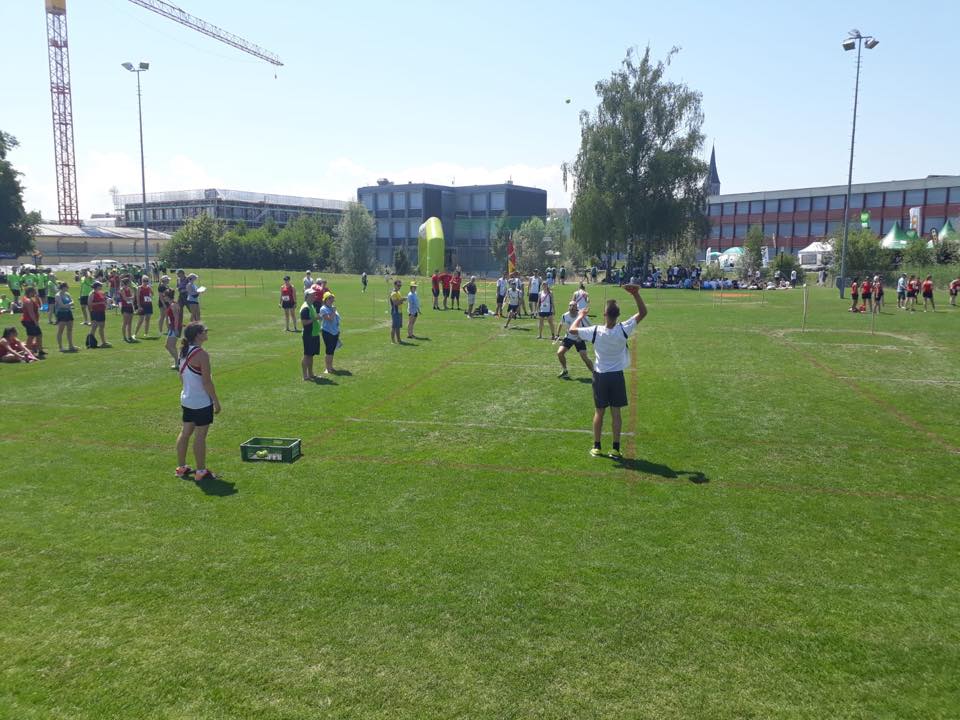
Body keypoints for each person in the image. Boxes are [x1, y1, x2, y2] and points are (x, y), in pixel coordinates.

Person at [569, 286, 647, 458]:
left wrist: (580, 316)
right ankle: (615, 448)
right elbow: (643, 312)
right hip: (617, 376)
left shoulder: (595, 331)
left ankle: (597, 446)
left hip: (600, 376)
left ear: (604, 314)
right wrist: (635, 294)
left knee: (599, 412)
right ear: (618, 315)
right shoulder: (623, 329)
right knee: (616, 413)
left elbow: (572, 330)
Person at [175, 322, 221, 482]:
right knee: (200, 436)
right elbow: (207, 382)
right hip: (200, 401)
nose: (207, 332)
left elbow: (181, 376)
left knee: (185, 433)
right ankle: (201, 471)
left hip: (187, 399)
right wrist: (216, 401)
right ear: (198, 335)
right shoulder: (202, 354)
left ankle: (181, 467)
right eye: (204, 331)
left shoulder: (183, 351)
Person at [556, 301, 594, 378]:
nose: (572, 307)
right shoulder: (565, 316)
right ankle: (565, 371)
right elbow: (561, 323)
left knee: (584, 357)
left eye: (574, 306)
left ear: (577, 307)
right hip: (569, 337)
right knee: (560, 353)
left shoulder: (582, 316)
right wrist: (557, 335)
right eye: (570, 306)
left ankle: (595, 374)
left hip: (579, 338)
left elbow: (590, 327)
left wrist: (583, 336)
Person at [299, 288, 321, 380]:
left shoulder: (311, 305)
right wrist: (316, 318)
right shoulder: (305, 308)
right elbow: (304, 322)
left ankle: (311, 374)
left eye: (314, 295)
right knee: (307, 355)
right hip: (309, 334)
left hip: (314, 334)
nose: (314, 297)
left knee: (311, 355)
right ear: (307, 296)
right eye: (312, 295)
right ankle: (305, 376)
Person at [318, 291, 341, 374]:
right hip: (327, 332)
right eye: (329, 298)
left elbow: (336, 320)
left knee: (332, 351)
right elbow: (330, 319)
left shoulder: (332, 307)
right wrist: (333, 311)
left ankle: (331, 367)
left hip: (335, 332)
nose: (332, 300)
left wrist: (338, 331)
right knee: (329, 350)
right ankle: (327, 368)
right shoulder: (323, 309)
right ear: (325, 300)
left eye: (332, 298)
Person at [20, 287, 45, 358]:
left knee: (39, 335)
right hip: (29, 321)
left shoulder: (31, 299)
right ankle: (26, 352)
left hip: (31, 320)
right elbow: (31, 312)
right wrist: (35, 321)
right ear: (30, 292)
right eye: (34, 292)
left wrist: (37, 298)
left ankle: (40, 350)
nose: (35, 293)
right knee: (31, 336)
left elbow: (40, 305)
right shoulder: (28, 301)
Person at [54, 282, 78, 352]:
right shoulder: (58, 295)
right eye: (67, 287)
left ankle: (71, 346)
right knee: (60, 331)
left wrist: (68, 305)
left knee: (69, 330)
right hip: (61, 314)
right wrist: (70, 304)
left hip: (68, 313)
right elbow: (62, 305)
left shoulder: (67, 294)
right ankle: (60, 347)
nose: (68, 288)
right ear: (63, 287)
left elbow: (72, 301)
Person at [87, 280, 111, 348]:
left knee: (101, 327)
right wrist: (100, 303)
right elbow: (89, 304)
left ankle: (103, 342)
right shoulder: (92, 293)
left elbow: (104, 299)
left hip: (101, 311)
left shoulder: (100, 292)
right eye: (100, 285)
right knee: (95, 327)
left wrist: (107, 301)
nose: (101, 286)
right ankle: (92, 343)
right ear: (97, 286)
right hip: (95, 312)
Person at [163, 288, 181, 369]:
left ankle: (178, 362)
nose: (163, 297)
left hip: (174, 327)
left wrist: (176, 329)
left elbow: (176, 318)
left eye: (164, 296)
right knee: (169, 346)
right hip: (172, 327)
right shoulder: (172, 304)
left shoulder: (173, 305)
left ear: (168, 296)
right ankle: (177, 361)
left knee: (170, 346)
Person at [118, 277, 136, 342]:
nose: (130, 283)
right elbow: (125, 298)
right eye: (129, 282)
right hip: (125, 307)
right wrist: (131, 297)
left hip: (130, 306)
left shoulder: (129, 289)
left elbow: (133, 298)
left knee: (130, 323)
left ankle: (129, 336)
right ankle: (124, 337)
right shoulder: (122, 289)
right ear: (127, 283)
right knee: (125, 322)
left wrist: (131, 298)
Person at [389, 279, 406, 343]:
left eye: (400, 285)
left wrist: (401, 300)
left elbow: (399, 301)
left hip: (399, 311)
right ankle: (393, 341)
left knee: (398, 327)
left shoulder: (398, 292)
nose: (399, 287)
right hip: (395, 312)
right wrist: (402, 300)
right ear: (395, 285)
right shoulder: (393, 293)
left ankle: (399, 340)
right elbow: (395, 303)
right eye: (398, 285)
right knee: (394, 327)